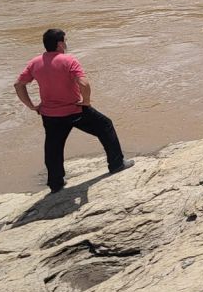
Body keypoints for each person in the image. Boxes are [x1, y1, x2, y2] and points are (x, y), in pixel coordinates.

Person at [14, 29, 134, 193]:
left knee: (53, 148)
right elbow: (84, 83)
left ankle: (55, 184)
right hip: (75, 111)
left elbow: (19, 85)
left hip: (50, 115)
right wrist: (85, 102)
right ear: (60, 43)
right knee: (105, 126)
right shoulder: (68, 60)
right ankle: (116, 164)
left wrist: (31, 105)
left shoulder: (35, 63)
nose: (66, 43)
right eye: (65, 40)